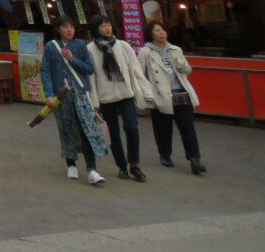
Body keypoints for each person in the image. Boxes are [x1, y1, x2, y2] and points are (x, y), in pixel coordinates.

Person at [41, 17, 109, 185]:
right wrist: (49, 94)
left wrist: (72, 58)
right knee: (66, 129)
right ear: (58, 29)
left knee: (86, 128)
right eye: (65, 27)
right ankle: (71, 163)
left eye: (72, 27)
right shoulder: (51, 47)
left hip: (80, 93)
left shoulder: (80, 45)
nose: (69, 30)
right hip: (61, 96)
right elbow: (45, 70)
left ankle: (92, 169)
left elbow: (89, 68)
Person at [86, 15, 152, 181]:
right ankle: (121, 166)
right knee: (113, 134)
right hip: (106, 98)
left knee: (132, 128)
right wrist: (94, 102)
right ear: (95, 29)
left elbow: (135, 69)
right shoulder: (90, 49)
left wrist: (147, 92)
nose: (107, 28)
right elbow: (91, 77)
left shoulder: (122, 45)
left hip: (126, 94)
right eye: (103, 26)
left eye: (108, 24)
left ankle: (134, 164)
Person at [138, 21, 204, 174]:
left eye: (163, 30)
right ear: (150, 34)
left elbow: (187, 71)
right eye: (157, 30)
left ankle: (194, 159)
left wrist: (181, 64)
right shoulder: (145, 52)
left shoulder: (175, 49)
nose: (161, 33)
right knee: (163, 129)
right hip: (160, 95)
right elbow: (140, 75)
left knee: (188, 127)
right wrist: (148, 94)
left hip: (181, 93)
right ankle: (165, 154)